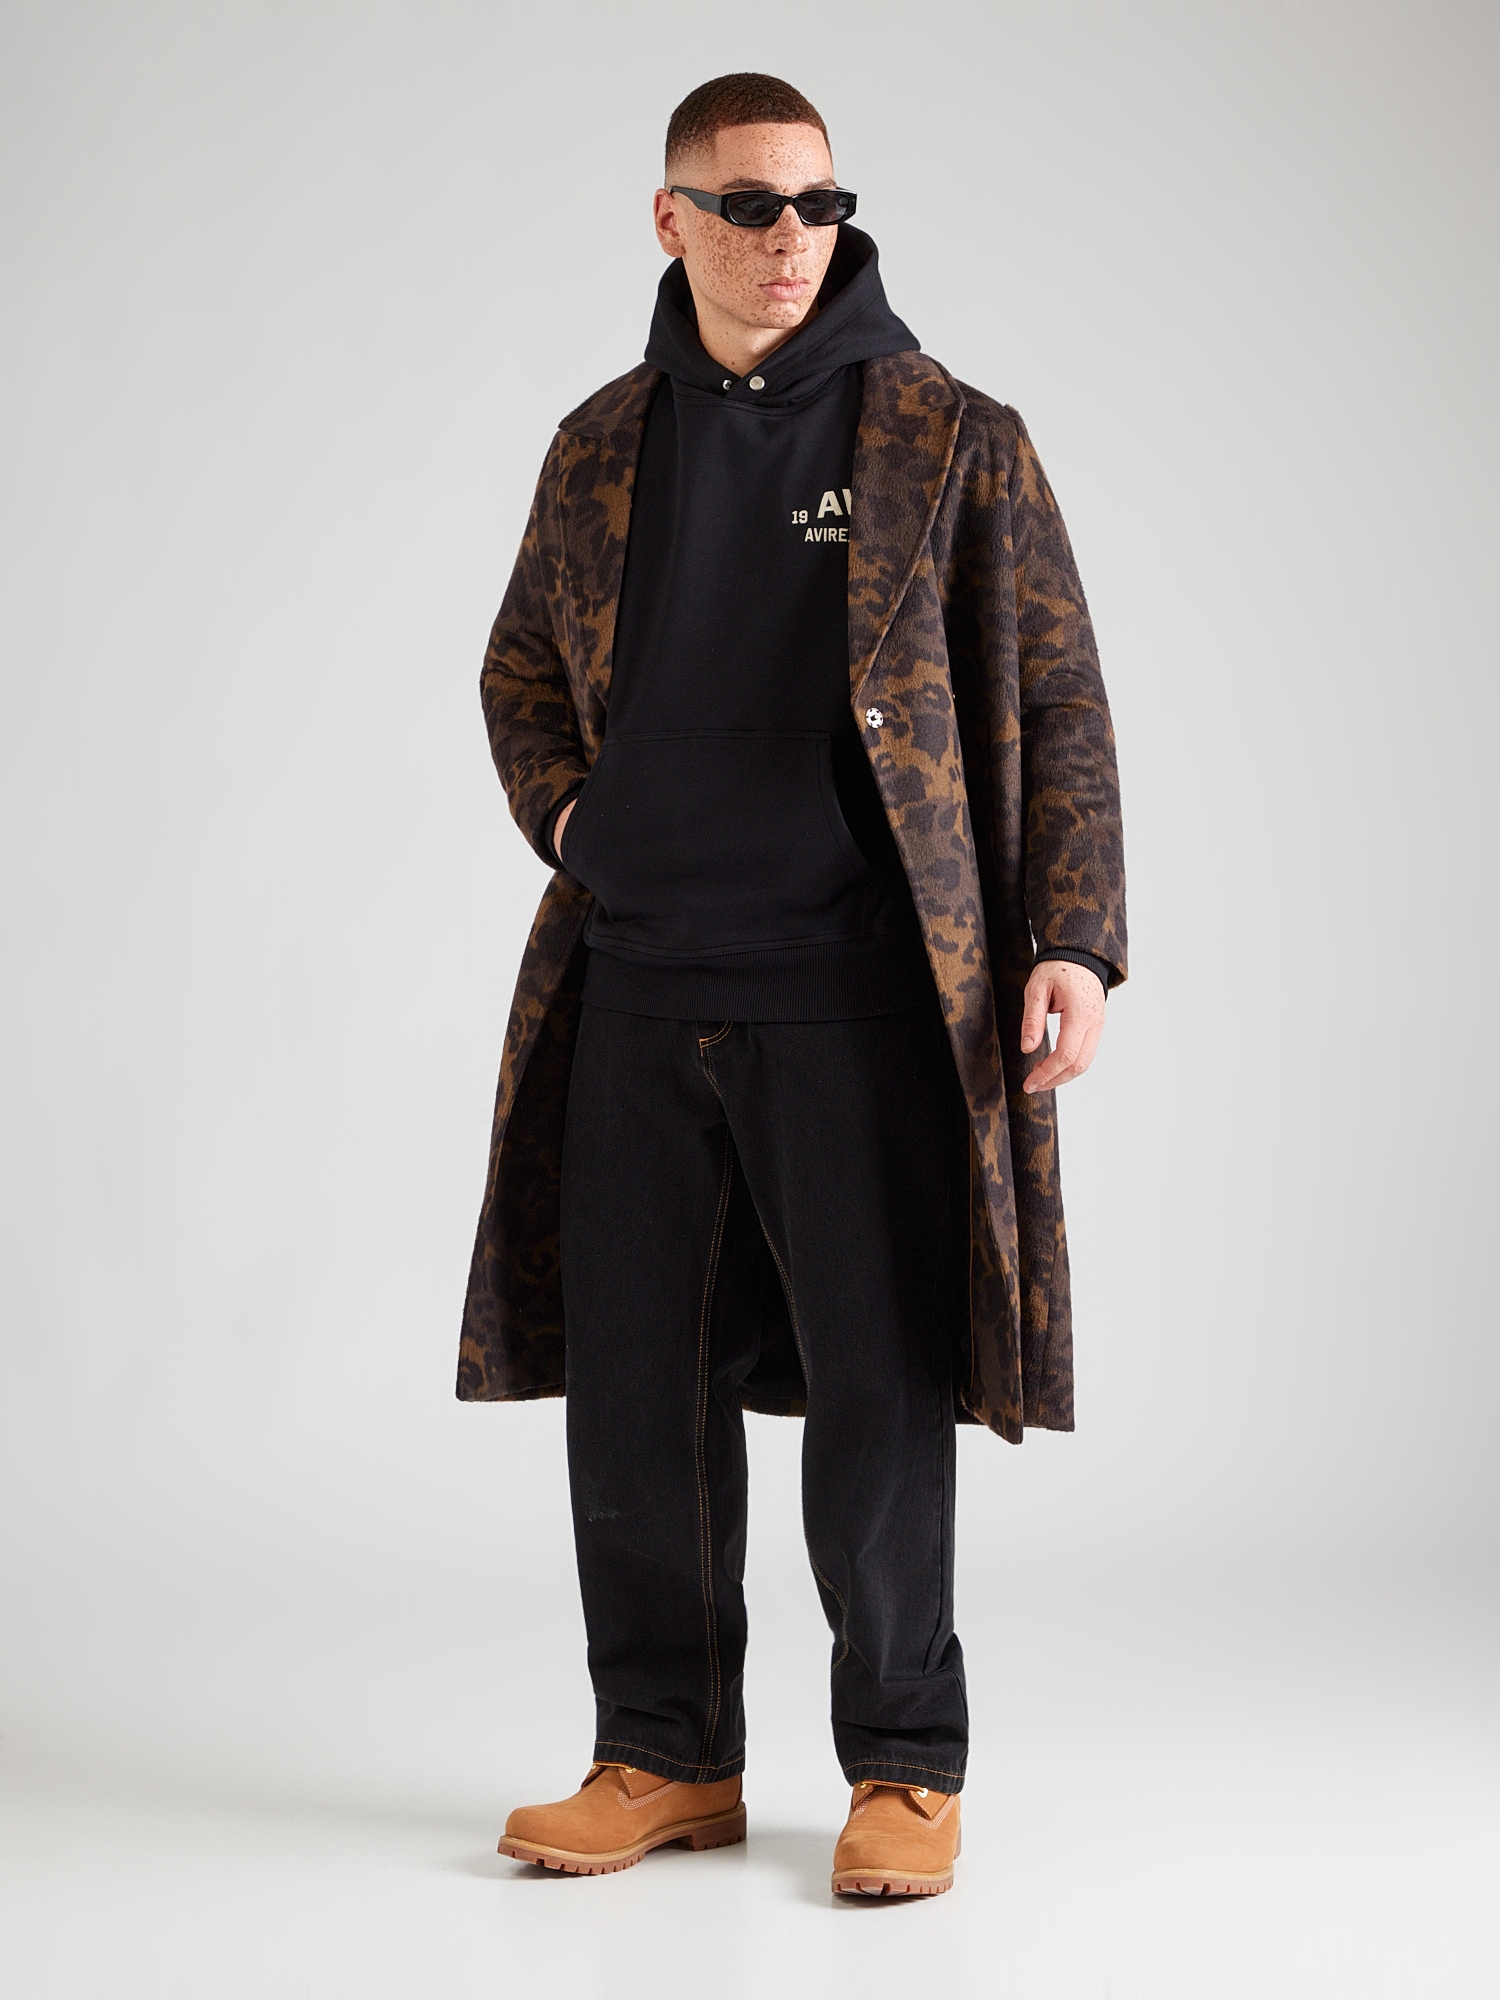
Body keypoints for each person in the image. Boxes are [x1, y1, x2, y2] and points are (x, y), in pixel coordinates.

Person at [458, 72, 1126, 1899]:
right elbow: (519, 671)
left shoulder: (951, 436)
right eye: (749, 205)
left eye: (819, 204)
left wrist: (1074, 940)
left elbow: (1058, 694)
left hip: (861, 990)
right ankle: (663, 1756)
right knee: (637, 1391)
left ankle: (905, 1763)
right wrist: (578, 818)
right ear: (669, 218)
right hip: (636, 984)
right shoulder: (602, 445)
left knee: (878, 1388)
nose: (790, 239)